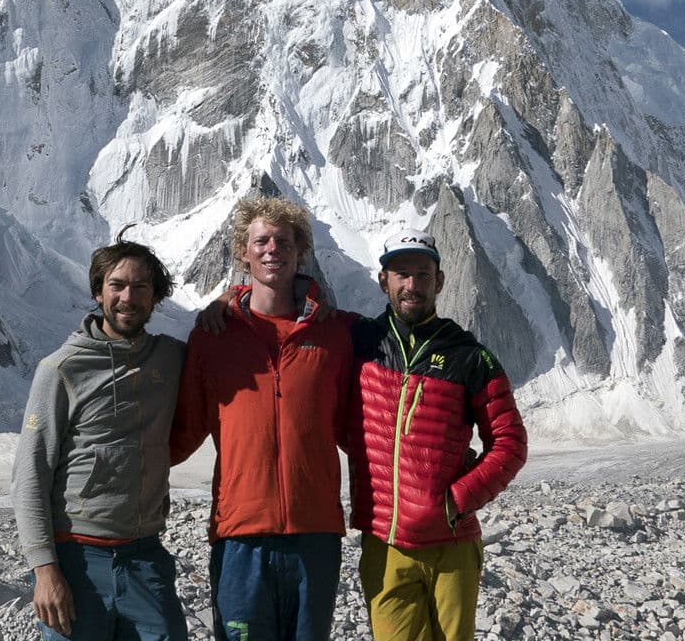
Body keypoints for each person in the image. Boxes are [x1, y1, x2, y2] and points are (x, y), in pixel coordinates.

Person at [169, 194, 357, 641]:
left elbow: (361, 422)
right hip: (241, 533)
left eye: (284, 241)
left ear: (300, 251)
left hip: (316, 533)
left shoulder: (337, 333)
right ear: (242, 252)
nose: (273, 249)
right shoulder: (212, 336)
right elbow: (185, 429)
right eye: (262, 241)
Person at [349, 230, 527, 641]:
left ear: (440, 281)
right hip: (384, 541)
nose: (412, 285)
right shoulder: (360, 342)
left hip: (452, 545)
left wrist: (457, 500)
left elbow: (510, 441)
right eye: (401, 274)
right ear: (383, 280)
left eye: (423, 275)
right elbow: (305, 322)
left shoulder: (470, 355)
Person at [12, 232, 189, 640]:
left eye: (141, 287)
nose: (128, 297)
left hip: (145, 556)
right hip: (77, 560)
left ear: (156, 298)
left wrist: (229, 304)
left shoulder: (170, 358)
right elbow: (30, 474)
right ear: (98, 292)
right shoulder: (61, 369)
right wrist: (44, 570)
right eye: (117, 285)